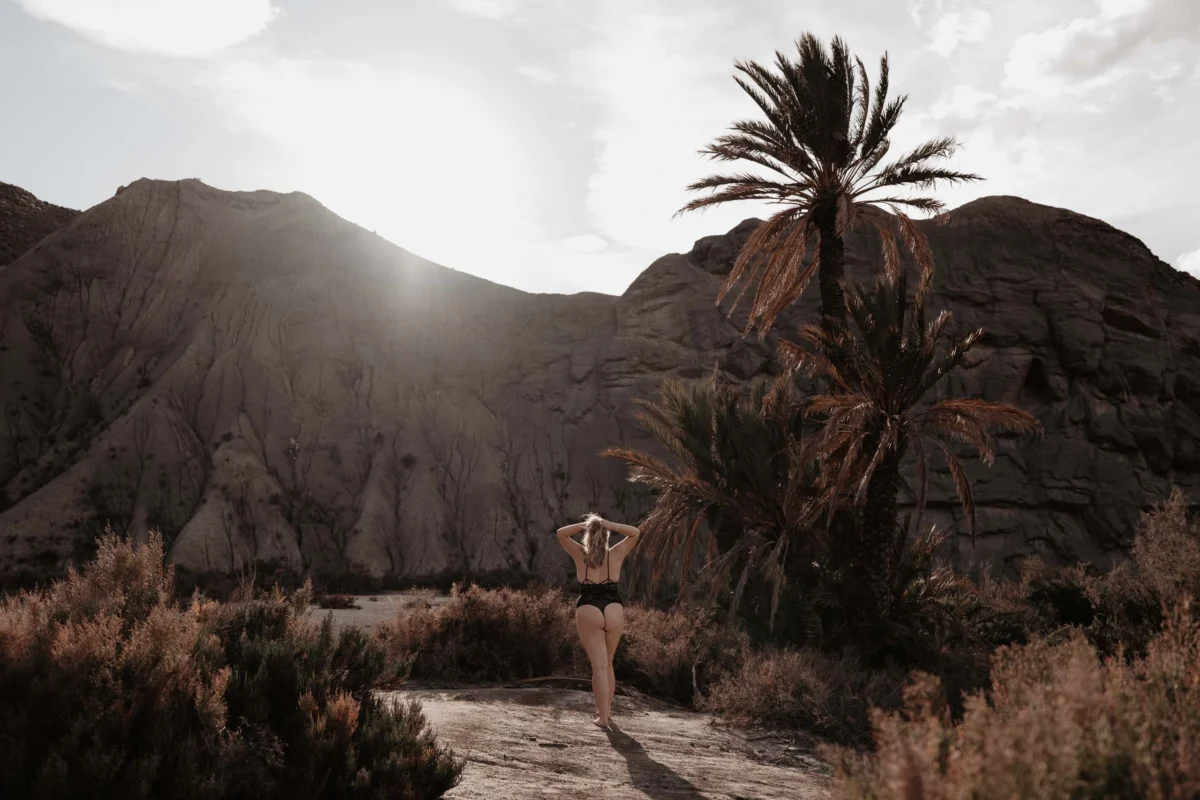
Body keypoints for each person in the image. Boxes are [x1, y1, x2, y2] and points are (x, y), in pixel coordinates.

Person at [556, 513, 640, 730]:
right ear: (606, 535)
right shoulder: (616, 553)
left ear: (588, 534)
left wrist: (585, 525)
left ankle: (602, 718)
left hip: (589, 608)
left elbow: (561, 534)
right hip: (613, 608)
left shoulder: (579, 554)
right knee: (608, 664)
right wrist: (609, 524)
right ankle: (607, 713)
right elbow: (635, 532)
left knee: (598, 668)